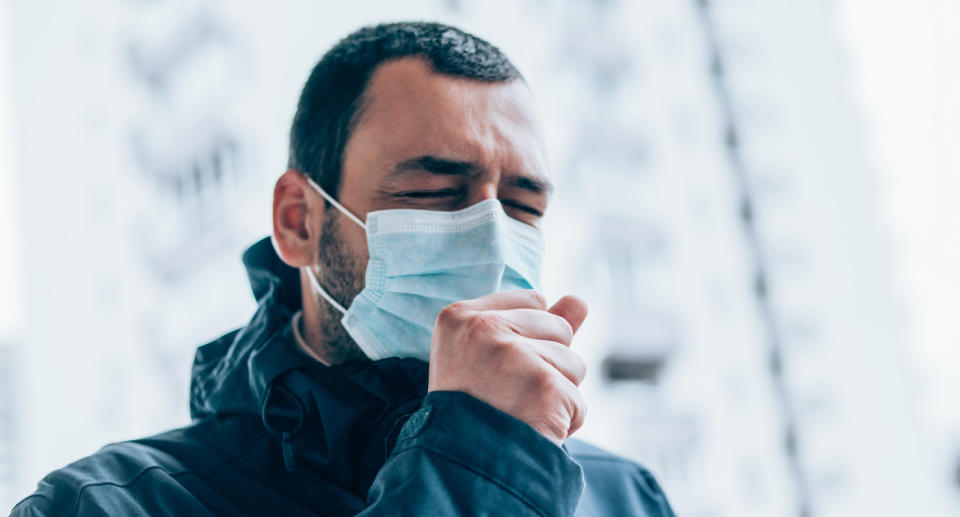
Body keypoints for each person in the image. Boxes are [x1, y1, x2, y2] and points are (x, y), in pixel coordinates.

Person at [11, 22, 675, 516]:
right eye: (432, 193)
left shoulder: (621, 495)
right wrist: (475, 457)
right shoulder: (108, 504)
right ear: (299, 220)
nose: (493, 245)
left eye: (522, 205)